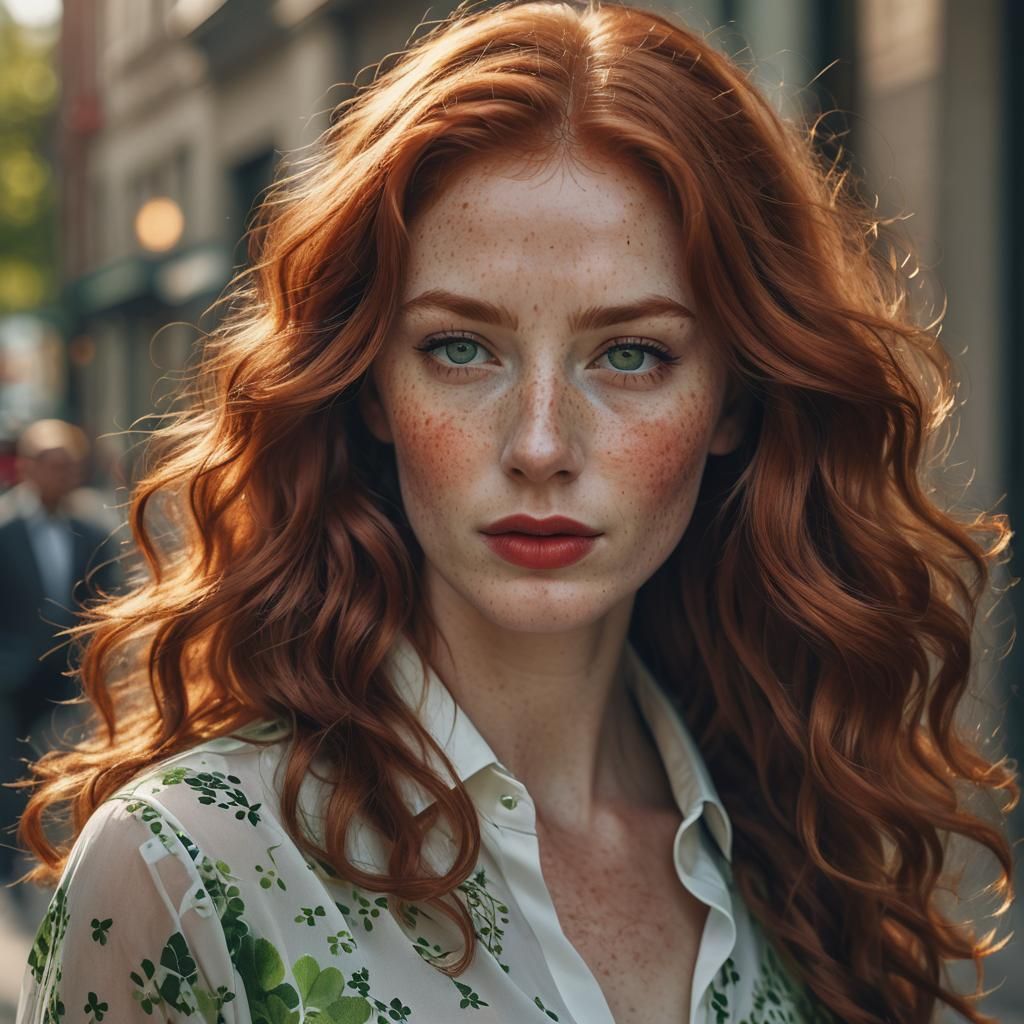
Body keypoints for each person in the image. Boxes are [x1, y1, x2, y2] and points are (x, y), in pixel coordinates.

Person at [12, 2, 1019, 1023]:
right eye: (461, 347)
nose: (540, 445)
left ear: (734, 398)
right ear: (370, 388)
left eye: (631, 354)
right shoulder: (185, 871)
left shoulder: (804, 842)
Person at [0, 420, 122, 896]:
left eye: (69, 465)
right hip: (14, 679)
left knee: (73, 770)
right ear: (28, 467)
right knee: (12, 772)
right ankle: (12, 871)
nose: (61, 474)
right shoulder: (5, 527)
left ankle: (70, 859)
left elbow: (107, 600)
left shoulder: (92, 530)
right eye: (51, 464)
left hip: (73, 676)